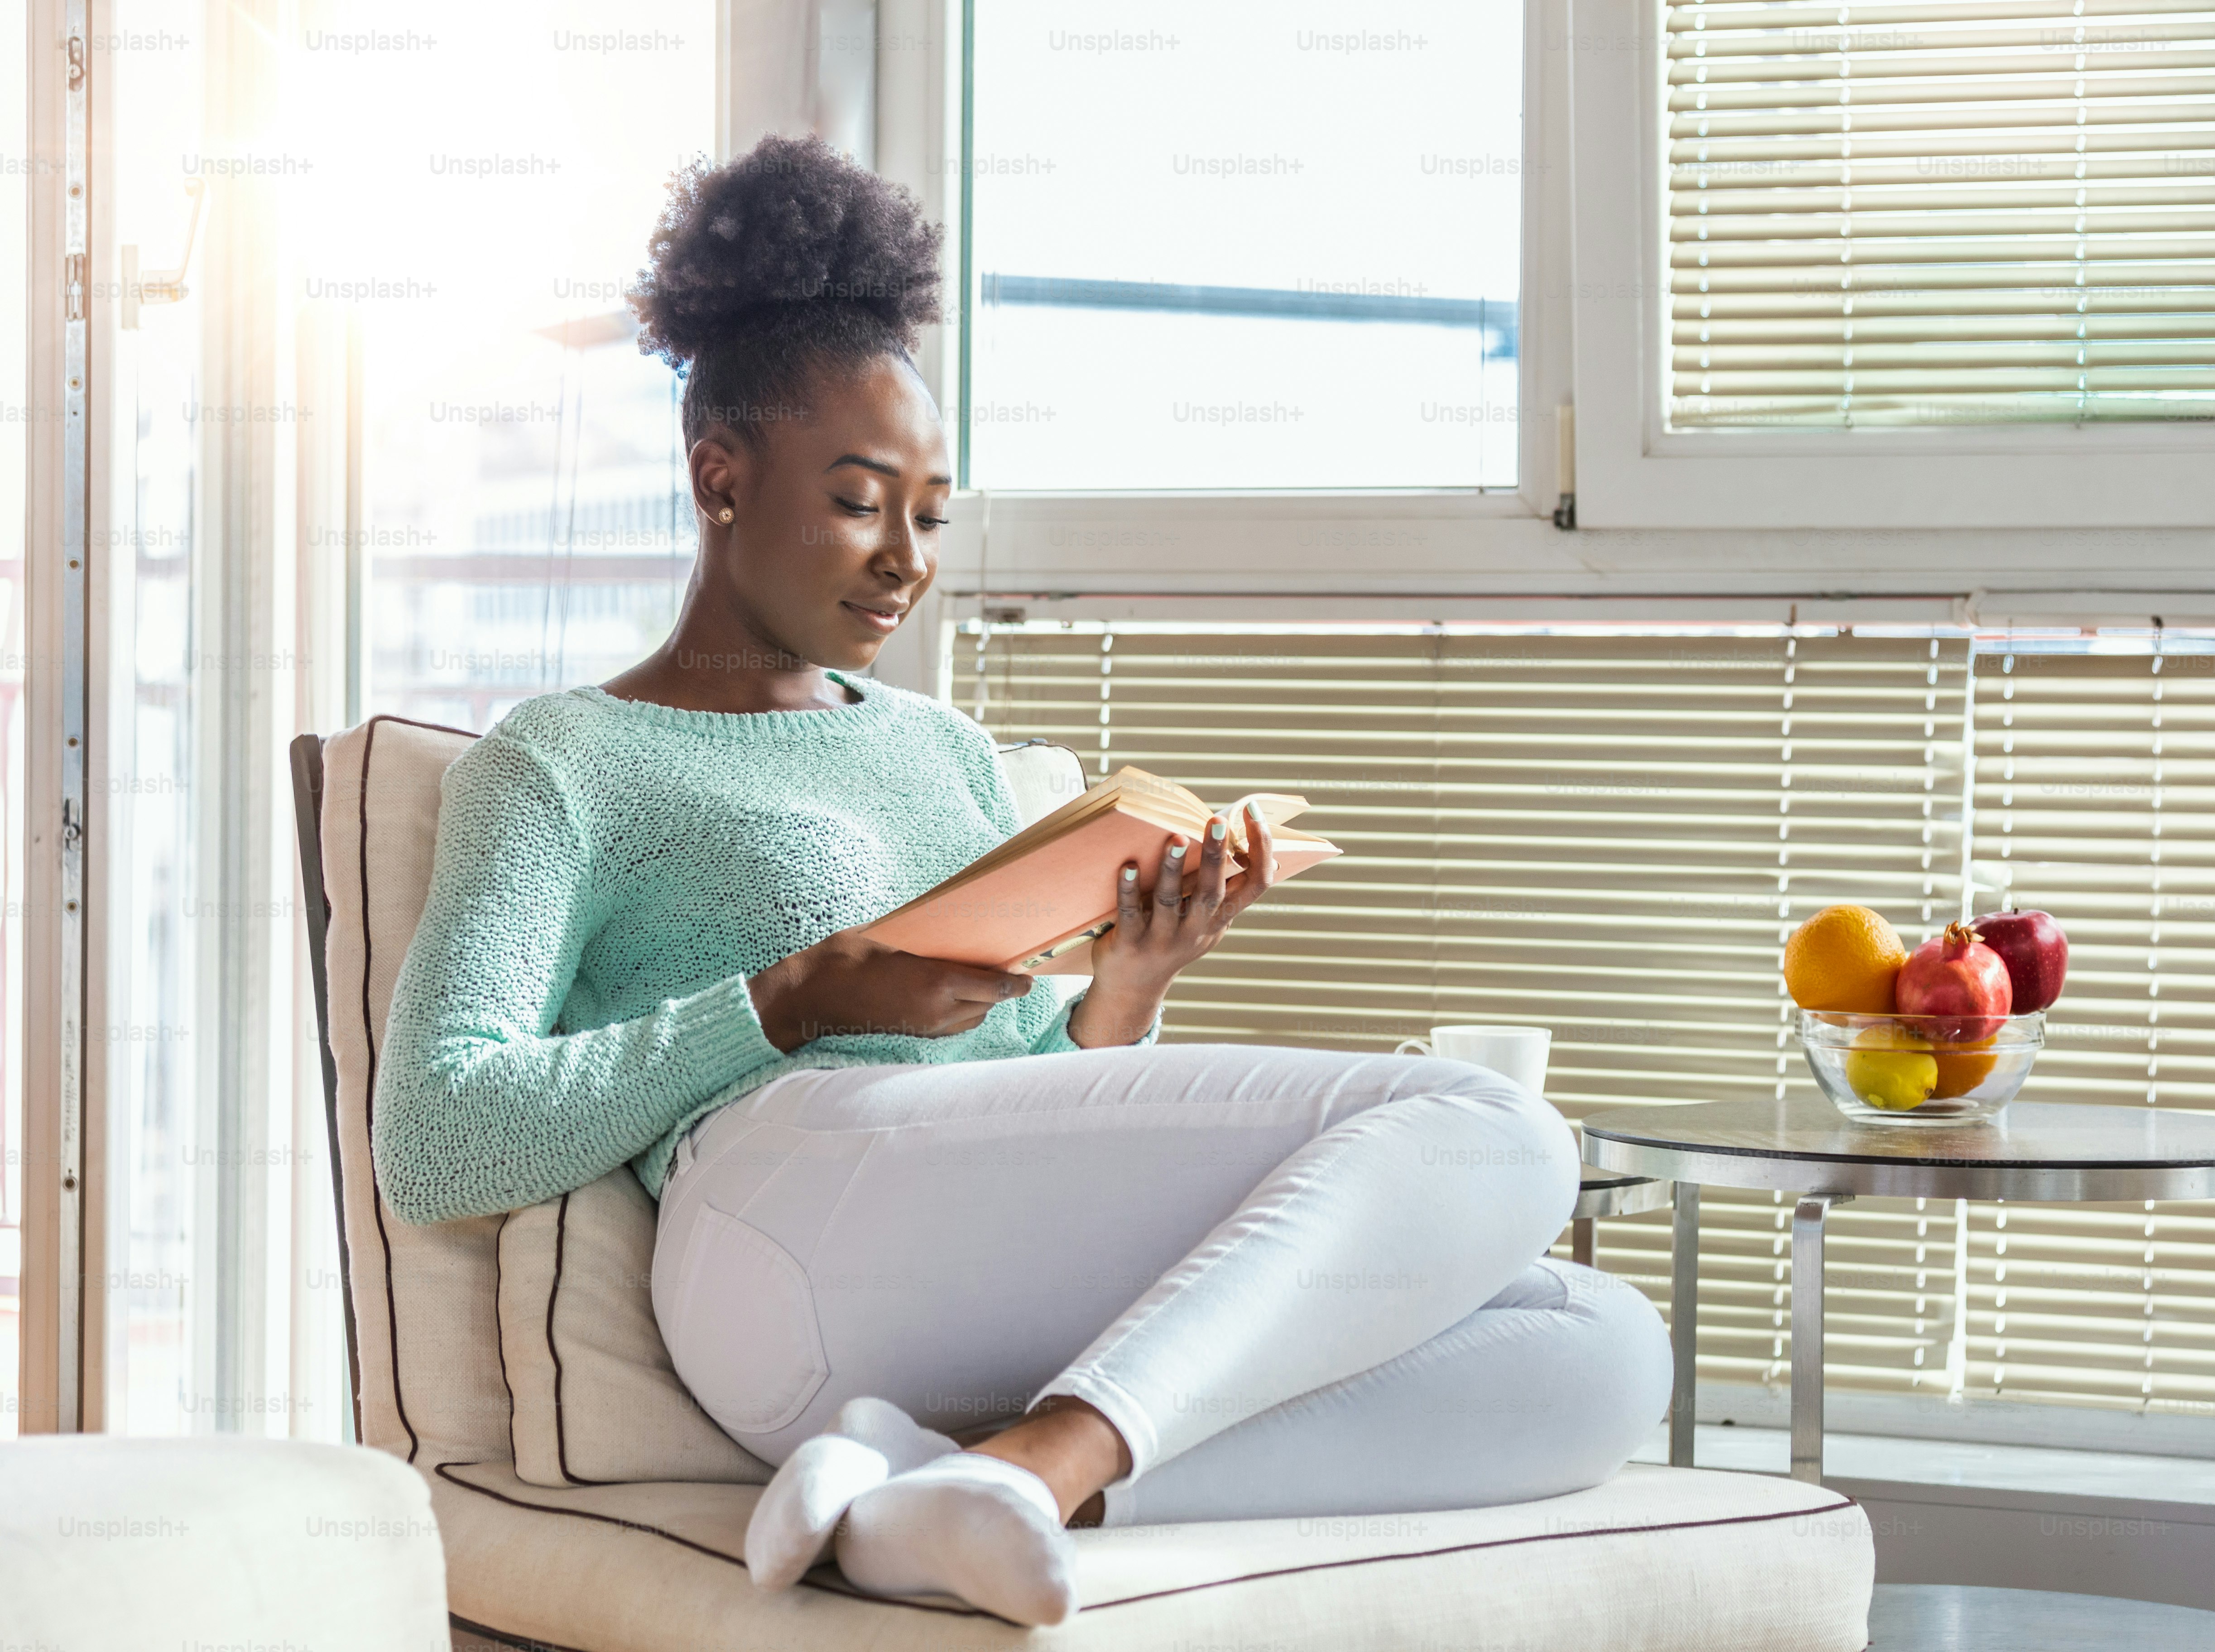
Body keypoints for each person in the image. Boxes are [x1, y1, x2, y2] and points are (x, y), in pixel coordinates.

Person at [372, 134, 1670, 1628]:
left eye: (932, 513)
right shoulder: (565, 759)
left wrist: (1122, 992)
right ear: (718, 476)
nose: (907, 558)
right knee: (1493, 1128)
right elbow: (440, 1138)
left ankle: (944, 1479)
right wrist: (789, 1000)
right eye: (862, 502)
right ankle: (1028, 1469)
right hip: (775, 1231)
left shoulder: (947, 753)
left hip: (963, 1254)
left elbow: (1019, 1092)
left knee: (1599, 1348)